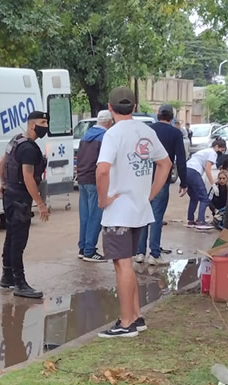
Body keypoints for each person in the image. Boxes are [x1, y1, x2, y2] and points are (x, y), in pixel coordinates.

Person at [95, 87, 172, 338]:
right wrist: (150, 193)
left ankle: (126, 322)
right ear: (135, 106)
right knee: (127, 265)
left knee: (123, 265)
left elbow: (102, 170)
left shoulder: (113, 134)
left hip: (118, 211)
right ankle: (136, 317)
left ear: (110, 107)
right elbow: (165, 163)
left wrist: (102, 198)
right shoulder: (146, 131)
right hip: (139, 210)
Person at [0, 111, 50, 299]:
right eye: (43, 122)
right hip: (20, 198)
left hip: (10, 194)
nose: (46, 125)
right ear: (32, 125)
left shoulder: (16, 140)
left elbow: (3, 161)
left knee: (11, 237)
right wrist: (40, 203)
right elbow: (28, 177)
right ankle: (19, 283)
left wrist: (3, 183)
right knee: (18, 241)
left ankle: (7, 277)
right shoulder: (28, 148)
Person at [136, 104, 187, 265]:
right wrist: (184, 182)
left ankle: (139, 253)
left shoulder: (147, 130)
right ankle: (154, 254)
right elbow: (181, 158)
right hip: (162, 179)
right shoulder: (175, 133)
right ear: (172, 118)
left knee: (143, 215)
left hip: (143, 178)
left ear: (157, 115)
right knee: (156, 217)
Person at [75, 110, 113, 262]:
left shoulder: (85, 135)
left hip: (83, 178)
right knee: (95, 216)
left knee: (84, 216)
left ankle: (83, 247)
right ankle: (90, 250)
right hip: (94, 179)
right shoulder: (106, 138)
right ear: (109, 122)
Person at [181, 137, 226, 231]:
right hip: (194, 172)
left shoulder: (205, 151)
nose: (221, 153)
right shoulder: (213, 153)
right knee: (204, 198)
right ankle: (201, 221)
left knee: (194, 197)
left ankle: (190, 220)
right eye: (222, 150)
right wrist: (213, 184)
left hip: (186, 171)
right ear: (217, 146)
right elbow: (208, 169)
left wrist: (183, 183)